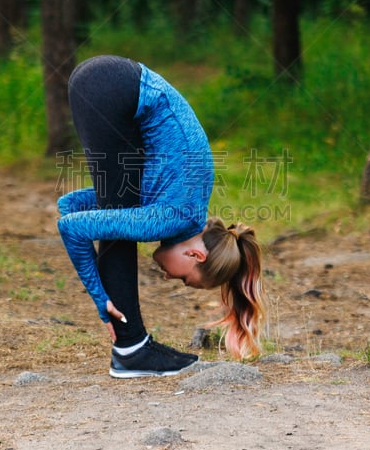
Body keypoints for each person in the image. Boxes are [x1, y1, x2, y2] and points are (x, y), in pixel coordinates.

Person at [57, 55, 265, 379]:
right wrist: (100, 297)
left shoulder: (179, 205)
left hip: (105, 78)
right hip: (114, 88)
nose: (169, 278)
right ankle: (132, 350)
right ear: (196, 254)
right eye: (184, 278)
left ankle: (133, 347)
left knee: (117, 216)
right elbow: (71, 226)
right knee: (118, 221)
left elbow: (70, 204)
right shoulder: (172, 217)